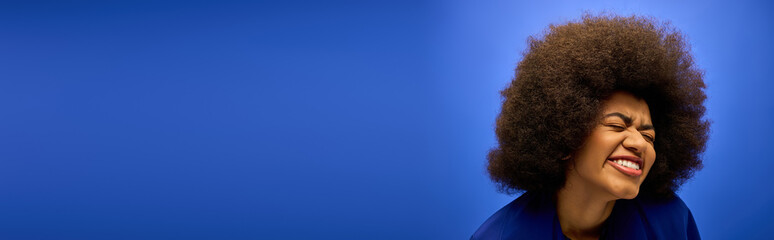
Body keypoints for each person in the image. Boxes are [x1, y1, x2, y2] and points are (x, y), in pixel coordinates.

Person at [472, 13, 708, 240]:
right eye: (617, 125)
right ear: (564, 137)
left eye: (648, 136)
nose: (639, 143)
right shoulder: (500, 236)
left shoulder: (673, 221)